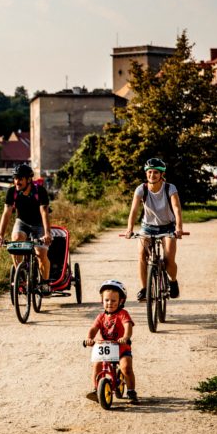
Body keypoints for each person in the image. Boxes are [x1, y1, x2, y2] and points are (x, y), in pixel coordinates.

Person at [124, 158, 184, 301]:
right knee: (141, 254)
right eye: (149, 172)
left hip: (168, 226)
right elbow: (134, 210)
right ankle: (144, 289)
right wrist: (129, 229)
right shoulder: (141, 189)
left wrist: (179, 228)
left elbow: (177, 209)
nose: (152, 175)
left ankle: (173, 281)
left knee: (169, 259)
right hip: (147, 227)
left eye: (155, 172)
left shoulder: (170, 188)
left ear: (161, 174)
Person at [0, 164, 54, 295]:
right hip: (22, 223)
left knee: (41, 254)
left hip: (39, 224)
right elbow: (7, 213)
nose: (17, 182)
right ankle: (20, 274)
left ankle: (45, 283)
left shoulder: (40, 191)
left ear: (29, 179)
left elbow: (44, 213)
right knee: (16, 240)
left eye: (20, 179)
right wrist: (0, 235)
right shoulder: (12, 192)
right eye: (15, 179)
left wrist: (47, 234)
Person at [85, 280, 137, 402]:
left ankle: (131, 391)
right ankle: (95, 389)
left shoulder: (123, 314)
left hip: (122, 349)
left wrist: (126, 337)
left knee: (126, 367)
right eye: (106, 300)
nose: (109, 303)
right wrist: (89, 338)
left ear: (121, 301)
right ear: (102, 301)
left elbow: (127, 326)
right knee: (97, 365)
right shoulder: (101, 316)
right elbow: (93, 328)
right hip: (105, 351)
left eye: (114, 300)